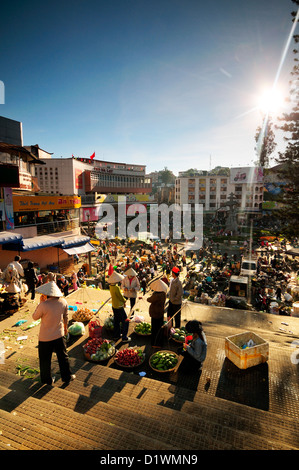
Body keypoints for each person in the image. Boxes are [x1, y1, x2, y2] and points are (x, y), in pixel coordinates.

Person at [32, 281, 75, 385]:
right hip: (59, 335)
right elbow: (66, 316)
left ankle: (47, 381)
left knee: (45, 360)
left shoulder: (44, 305)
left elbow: (34, 317)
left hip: (45, 338)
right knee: (63, 357)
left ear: (47, 294)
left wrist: (40, 303)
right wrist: (65, 328)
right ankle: (67, 377)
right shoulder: (63, 302)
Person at [108, 271, 131, 342]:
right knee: (125, 321)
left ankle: (116, 335)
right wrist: (124, 300)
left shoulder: (111, 287)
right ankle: (124, 337)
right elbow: (120, 296)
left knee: (116, 321)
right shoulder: (116, 288)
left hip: (114, 306)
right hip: (119, 306)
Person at [147, 279, 168, 348]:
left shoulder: (156, 295)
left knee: (155, 329)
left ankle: (155, 343)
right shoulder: (163, 294)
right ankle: (160, 343)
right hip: (160, 313)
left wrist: (152, 295)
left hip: (155, 314)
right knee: (160, 328)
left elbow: (149, 300)